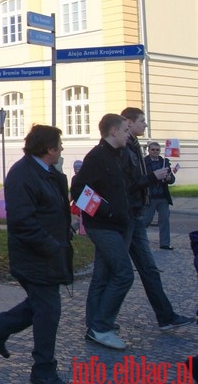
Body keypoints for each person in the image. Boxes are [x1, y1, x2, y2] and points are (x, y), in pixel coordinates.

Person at [0, 125, 74, 384]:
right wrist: (53, 246)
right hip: (35, 256)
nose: (62, 148)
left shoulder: (47, 171)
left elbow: (52, 208)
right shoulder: (23, 174)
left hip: (47, 253)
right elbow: (22, 223)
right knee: (49, 310)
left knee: (40, 306)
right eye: (59, 144)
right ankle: (43, 370)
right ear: (48, 148)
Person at [119, 107, 192, 331]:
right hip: (125, 217)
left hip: (137, 214)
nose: (146, 125)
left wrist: (158, 178)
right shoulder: (121, 149)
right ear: (128, 123)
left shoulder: (132, 146)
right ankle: (98, 323)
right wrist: (152, 177)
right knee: (114, 274)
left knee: (149, 270)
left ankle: (166, 316)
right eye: (142, 121)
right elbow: (126, 184)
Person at [70, 113, 133, 350]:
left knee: (102, 277)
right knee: (125, 274)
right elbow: (78, 191)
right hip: (103, 227)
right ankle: (101, 327)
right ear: (113, 131)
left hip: (118, 225)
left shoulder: (119, 155)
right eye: (125, 130)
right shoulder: (96, 156)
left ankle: (95, 323)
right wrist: (106, 211)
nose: (129, 134)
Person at [143, 141, 175, 250]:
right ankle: (139, 241)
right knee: (146, 220)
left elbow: (172, 178)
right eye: (153, 149)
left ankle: (165, 243)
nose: (155, 152)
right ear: (149, 150)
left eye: (157, 150)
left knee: (164, 220)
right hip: (150, 196)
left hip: (162, 196)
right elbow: (142, 178)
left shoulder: (164, 162)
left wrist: (169, 179)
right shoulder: (144, 162)